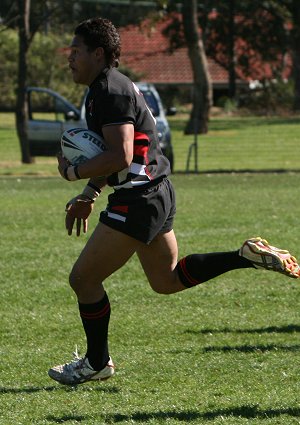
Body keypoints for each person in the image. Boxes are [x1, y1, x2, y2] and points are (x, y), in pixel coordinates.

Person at [48, 17, 300, 386]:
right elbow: (123, 152)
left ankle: (97, 362)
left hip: (137, 199)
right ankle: (244, 255)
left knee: (83, 279)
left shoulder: (108, 91)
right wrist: (90, 193)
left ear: (98, 53)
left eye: (76, 51)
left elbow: (118, 155)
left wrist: (73, 173)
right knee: (166, 281)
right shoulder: (110, 87)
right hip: (154, 192)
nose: (69, 59)